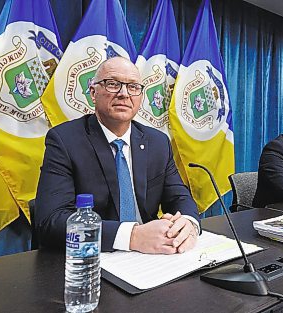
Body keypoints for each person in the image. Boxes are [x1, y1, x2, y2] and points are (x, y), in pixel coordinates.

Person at [35, 57, 200, 254]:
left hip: (151, 258)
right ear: (93, 93)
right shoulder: (64, 140)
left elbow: (179, 197)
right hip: (94, 259)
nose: (124, 94)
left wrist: (188, 224)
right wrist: (132, 236)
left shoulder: (157, 142)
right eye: (113, 84)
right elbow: (51, 221)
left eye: (133, 87)